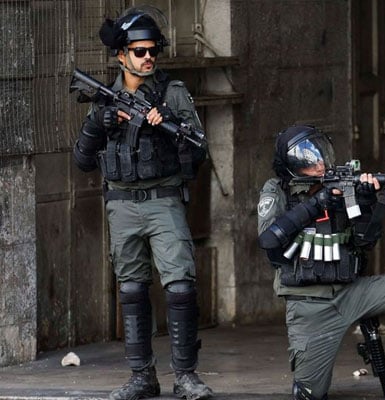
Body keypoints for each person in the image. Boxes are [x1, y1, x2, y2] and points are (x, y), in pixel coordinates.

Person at [72, 6, 213, 400]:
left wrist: (169, 127)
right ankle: (142, 376)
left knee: (181, 286)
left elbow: (199, 155)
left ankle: (185, 376)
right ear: (121, 55)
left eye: (152, 50)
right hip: (121, 205)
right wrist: (99, 123)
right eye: (139, 51)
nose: (147, 57)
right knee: (132, 289)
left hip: (163, 201)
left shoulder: (173, 94)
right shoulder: (104, 99)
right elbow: (82, 161)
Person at [257, 125, 385, 400]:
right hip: (309, 304)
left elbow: (364, 242)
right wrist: (317, 204)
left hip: (354, 292)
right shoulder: (277, 190)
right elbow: (269, 242)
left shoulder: (340, 189)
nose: (320, 163)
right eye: (310, 159)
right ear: (293, 164)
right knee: (309, 394)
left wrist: (373, 203)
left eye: (321, 155)